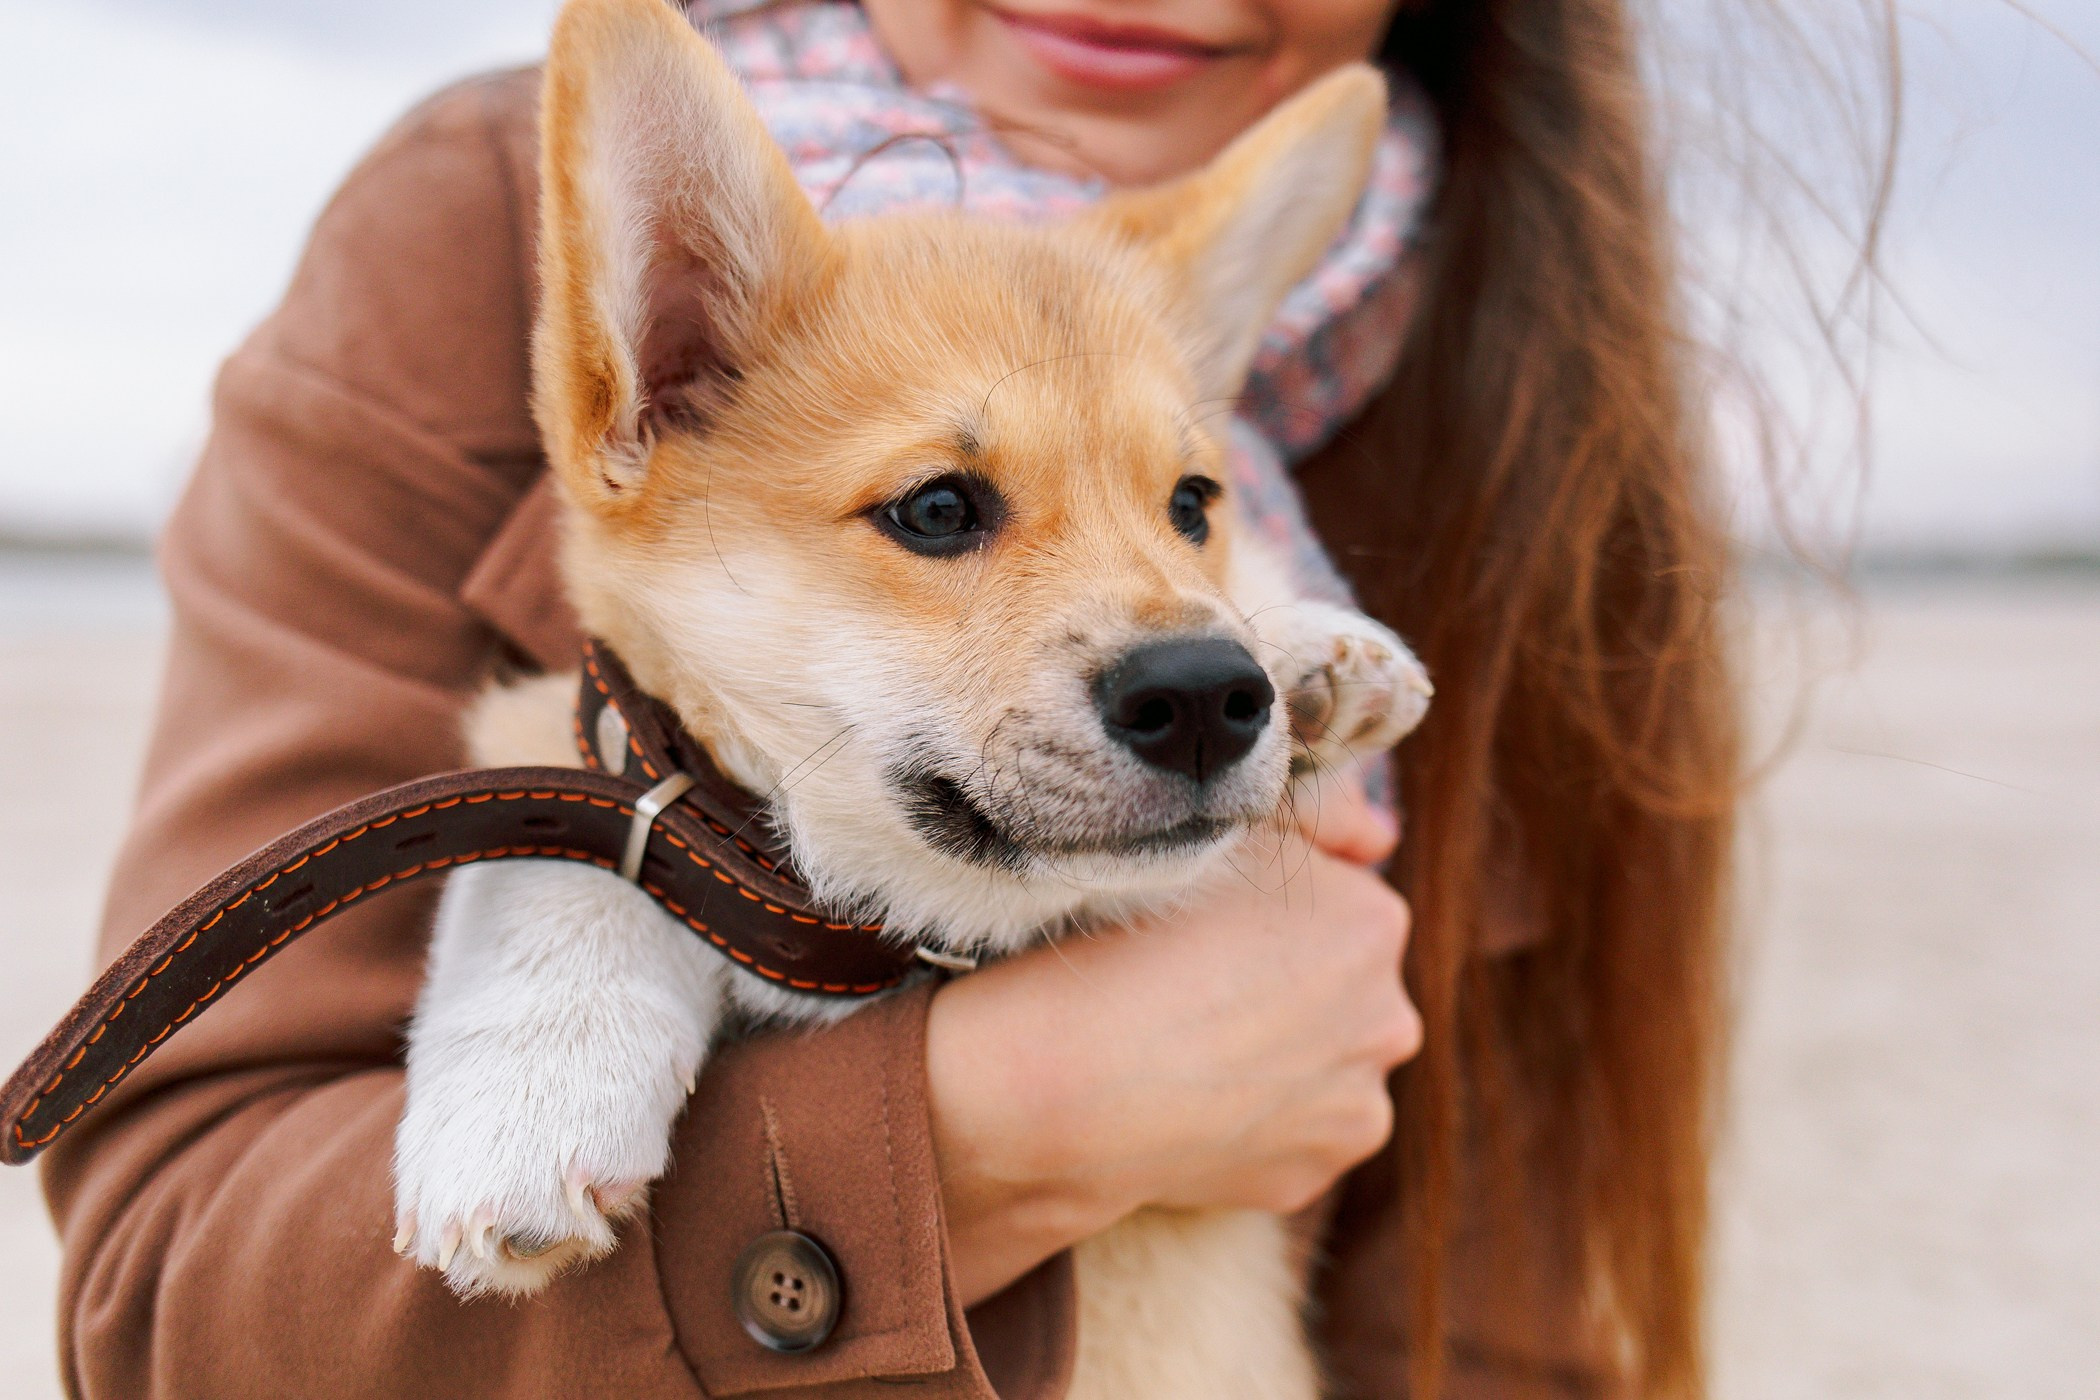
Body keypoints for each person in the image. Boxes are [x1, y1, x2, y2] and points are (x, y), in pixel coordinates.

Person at [40, 0, 1733, 1396]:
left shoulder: (1516, 389)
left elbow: (1508, 1343)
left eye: (1189, 498)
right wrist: (990, 1128)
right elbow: (164, 1306)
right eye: (942, 510)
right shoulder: (505, 250)